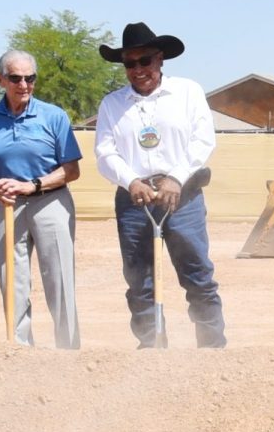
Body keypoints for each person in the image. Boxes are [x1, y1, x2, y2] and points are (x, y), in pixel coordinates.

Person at [93, 21, 226, 348]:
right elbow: (104, 151)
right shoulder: (112, 104)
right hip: (134, 201)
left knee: (198, 276)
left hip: (183, 197)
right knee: (140, 283)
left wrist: (176, 177)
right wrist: (130, 181)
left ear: (160, 59)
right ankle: (152, 350)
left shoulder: (187, 92)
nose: (138, 70)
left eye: (145, 61)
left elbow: (202, 140)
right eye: (130, 63)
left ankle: (211, 350)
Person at [0, 48, 84, 348]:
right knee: (12, 282)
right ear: (0, 80)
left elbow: (71, 170)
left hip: (51, 202)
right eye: (16, 78)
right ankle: (19, 352)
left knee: (59, 280)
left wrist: (33, 186)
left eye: (30, 78)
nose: (24, 85)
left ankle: (68, 352)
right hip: (7, 206)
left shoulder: (54, 116)